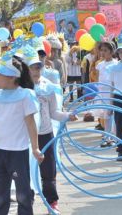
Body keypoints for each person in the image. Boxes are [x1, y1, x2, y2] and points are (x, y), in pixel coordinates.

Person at [0, 53, 43, 215]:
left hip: (18, 152)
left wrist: (35, 148)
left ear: (12, 77)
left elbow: (31, 124)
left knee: (23, 193)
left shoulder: (25, 95)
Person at [25, 46, 76, 214]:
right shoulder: (20, 89)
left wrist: (68, 115)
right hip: (26, 137)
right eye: (32, 67)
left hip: (46, 135)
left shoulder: (48, 87)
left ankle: (52, 202)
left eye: (38, 66)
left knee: (48, 172)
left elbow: (54, 113)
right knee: (26, 172)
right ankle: (27, 203)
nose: (36, 70)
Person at [95, 41, 118, 146]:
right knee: (105, 115)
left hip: (111, 92)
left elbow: (116, 81)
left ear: (112, 51)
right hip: (102, 92)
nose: (103, 53)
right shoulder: (100, 65)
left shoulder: (115, 64)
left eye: (105, 50)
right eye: (101, 50)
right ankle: (107, 136)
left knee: (110, 114)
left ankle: (111, 137)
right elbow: (98, 79)